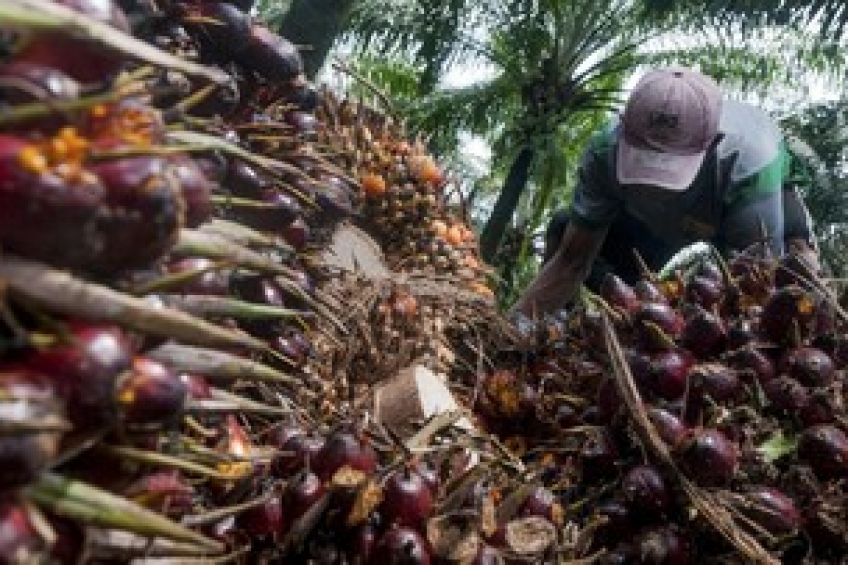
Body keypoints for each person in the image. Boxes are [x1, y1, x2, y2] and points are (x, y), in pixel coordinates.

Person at [512, 66, 818, 317]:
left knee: (794, 278)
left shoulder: (750, 163)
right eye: (644, 163)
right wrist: (513, 328)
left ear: (712, 144)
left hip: (742, 203)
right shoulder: (604, 152)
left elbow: (758, 290)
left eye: (667, 166)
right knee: (566, 229)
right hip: (655, 228)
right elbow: (571, 261)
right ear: (624, 131)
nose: (655, 190)